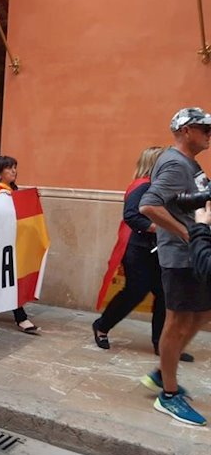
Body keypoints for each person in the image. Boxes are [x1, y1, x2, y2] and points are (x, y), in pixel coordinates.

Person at [139, 107, 211, 426]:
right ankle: (168, 394)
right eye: (203, 127)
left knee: (202, 313)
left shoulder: (189, 163)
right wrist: (187, 235)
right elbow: (149, 205)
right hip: (181, 257)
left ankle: (162, 372)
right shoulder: (173, 162)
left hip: (194, 254)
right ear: (184, 131)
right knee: (178, 320)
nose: (209, 133)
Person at [92, 148, 188, 358]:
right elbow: (131, 216)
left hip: (155, 250)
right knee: (135, 292)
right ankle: (101, 326)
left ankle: (161, 345)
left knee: (163, 295)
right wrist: (160, 227)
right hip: (138, 250)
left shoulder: (157, 186)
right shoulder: (142, 186)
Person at [0, 155, 40, 333]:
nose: (14, 171)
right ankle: (20, 317)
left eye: (15, 167)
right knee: (5, 276)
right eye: (9, 168)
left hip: (11, 240)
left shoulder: (13, 190)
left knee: (2, 276)